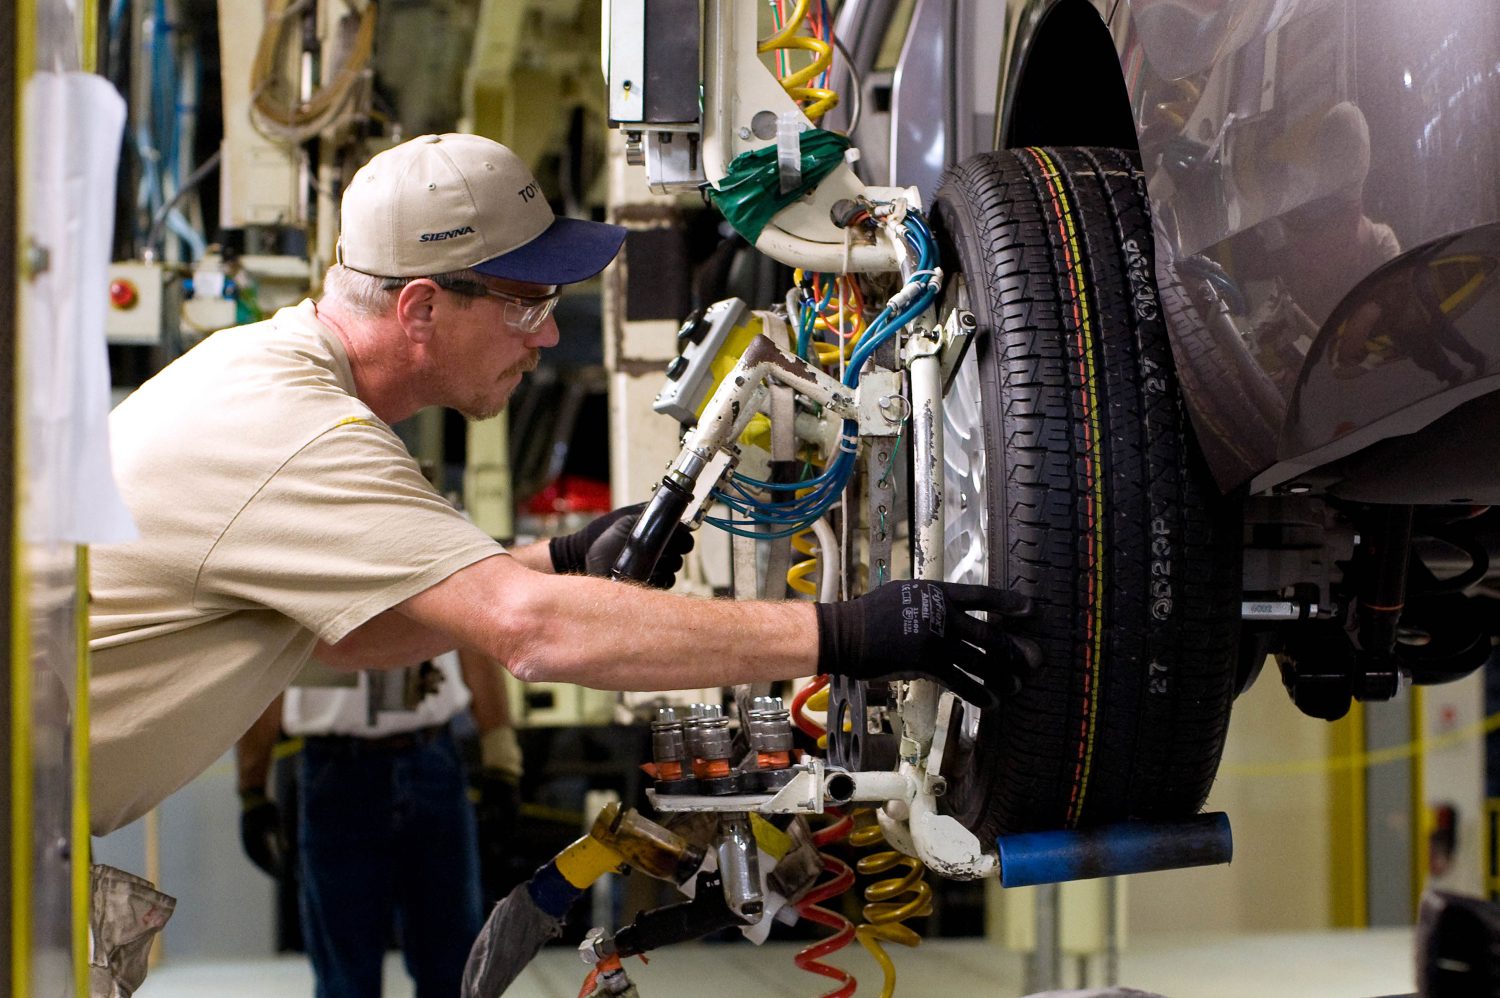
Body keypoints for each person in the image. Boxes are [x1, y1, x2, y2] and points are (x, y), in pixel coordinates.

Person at [85, 132, 1035, 987]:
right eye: (527, 303)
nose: (545, 335)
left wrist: (564, 553)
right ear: (420, 307)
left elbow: (351, 635)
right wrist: (848, 634)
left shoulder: (277, 378)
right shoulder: (298, 430)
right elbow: (529, 636)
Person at [235, 648, 516, 998]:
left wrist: (501, 753)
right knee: (346, 977)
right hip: (336, 772)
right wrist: (252, 790)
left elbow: (473, 634)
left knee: (453, 965)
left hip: (432, 758)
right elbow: (267, 657)